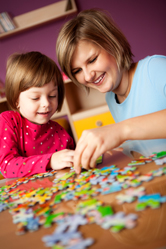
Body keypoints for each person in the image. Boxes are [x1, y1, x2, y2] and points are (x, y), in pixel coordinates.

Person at [56, 8, 166, 174]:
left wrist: (120, 130)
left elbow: (126, 130)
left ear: (112, 43)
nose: (88, 75)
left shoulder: (155, 68)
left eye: (92, 60)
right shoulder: (111, 98)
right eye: (77, 70)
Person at [0, 51, 75, 178]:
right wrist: (50, 161)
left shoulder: (61, 134)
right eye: (35, 98)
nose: (46, 103)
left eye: (52, 96)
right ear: (17, 100)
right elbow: (8, 167)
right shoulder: (8, 121)